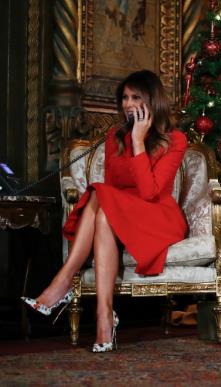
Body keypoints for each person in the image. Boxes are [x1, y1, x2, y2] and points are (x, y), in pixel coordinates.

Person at [22, 70, 188, 352]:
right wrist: (128, 140)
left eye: (135, 97)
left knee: (101, 197)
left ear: (152, 100)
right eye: (124, 97)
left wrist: (138, 142)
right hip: (121, 213)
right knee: (103, 204)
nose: (127, 103)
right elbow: (114, 187)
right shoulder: (115, 137)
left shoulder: (175, 140)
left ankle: (64, 282)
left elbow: (149, 193)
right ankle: (104, 317)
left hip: (158, 218)